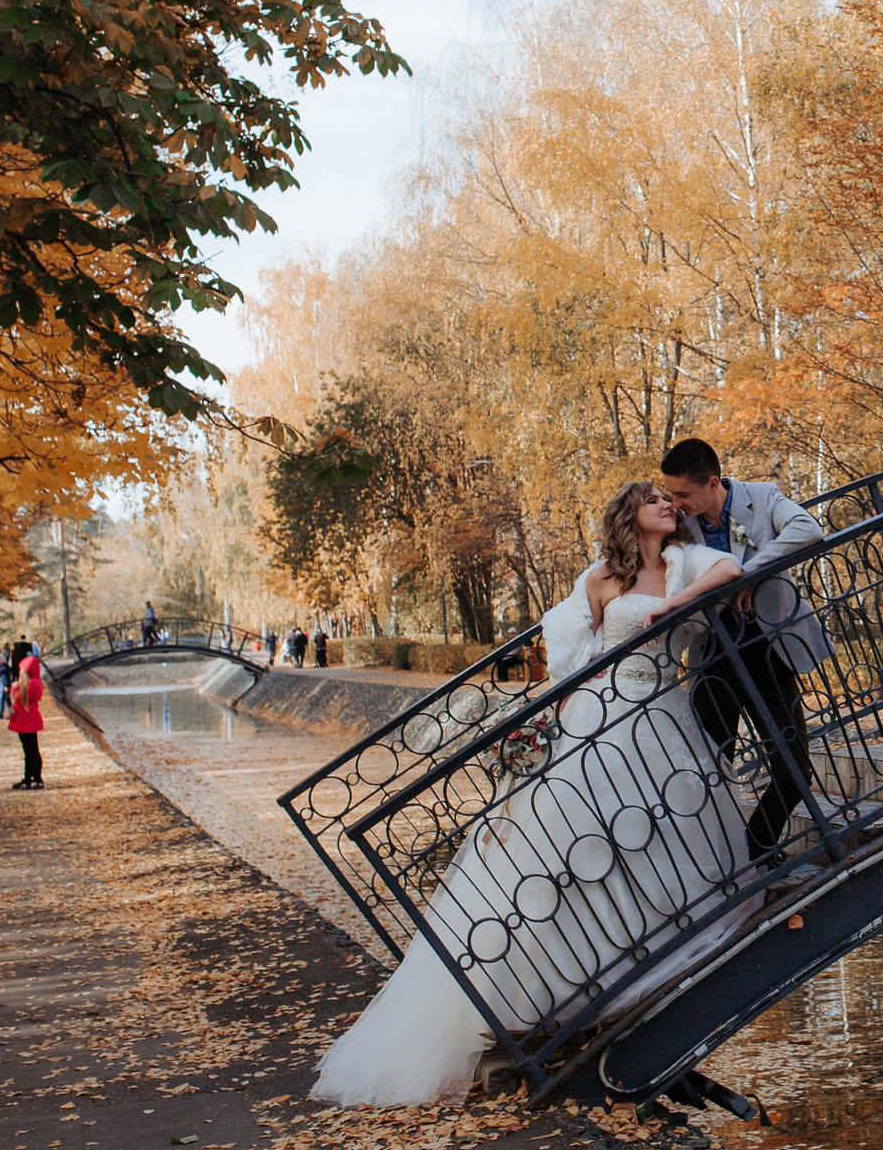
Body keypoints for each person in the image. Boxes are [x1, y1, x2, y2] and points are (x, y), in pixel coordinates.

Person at [312, 480, 750, 1106]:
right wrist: (552, 724)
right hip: (603, 712)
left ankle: (641, 953)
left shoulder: (686, 561)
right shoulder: (601, 578)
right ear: (630, 515)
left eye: (667, 498)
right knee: (581, 840)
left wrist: (664, 607)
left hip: (663, 710)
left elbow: (732, 567)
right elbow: (575, 658)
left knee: (655, 831)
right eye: (651, 498)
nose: (665, 504)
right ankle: (558, 978)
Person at [656, 437, 831, 868]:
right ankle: (712, 867)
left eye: (682, 494)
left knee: (794, 771)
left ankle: (754, 851)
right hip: (712, 655)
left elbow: (809, 529)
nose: (675, 503)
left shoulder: (762, 496)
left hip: (770, 651)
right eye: (671, 494)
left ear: (713, 483)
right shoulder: (678, 525)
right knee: (711, 771)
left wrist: (747, 574)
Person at [7, 647, 46, 789]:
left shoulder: (31, 684)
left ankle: (37, 778)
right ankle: (29, 777)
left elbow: (19, 698)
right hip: (27, 718)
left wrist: (13, 688)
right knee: (29, 749)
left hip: (27, 719)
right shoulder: (34, 682)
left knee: (32, 749)